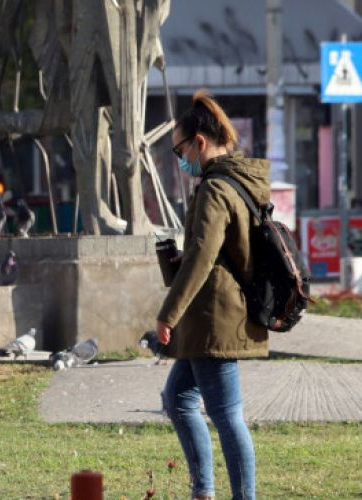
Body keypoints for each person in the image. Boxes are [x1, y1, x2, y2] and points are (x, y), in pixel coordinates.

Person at [155, 90, 269, 500]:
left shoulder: (215, 189)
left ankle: (242, 496)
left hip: (215, 317)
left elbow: (203, 257)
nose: (180, 158)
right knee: (178, 398)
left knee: (226, 415)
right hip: (214, 314)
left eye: (179, 149)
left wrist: (167, 314)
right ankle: (203, 491)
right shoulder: (238, 181)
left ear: (199, 142)